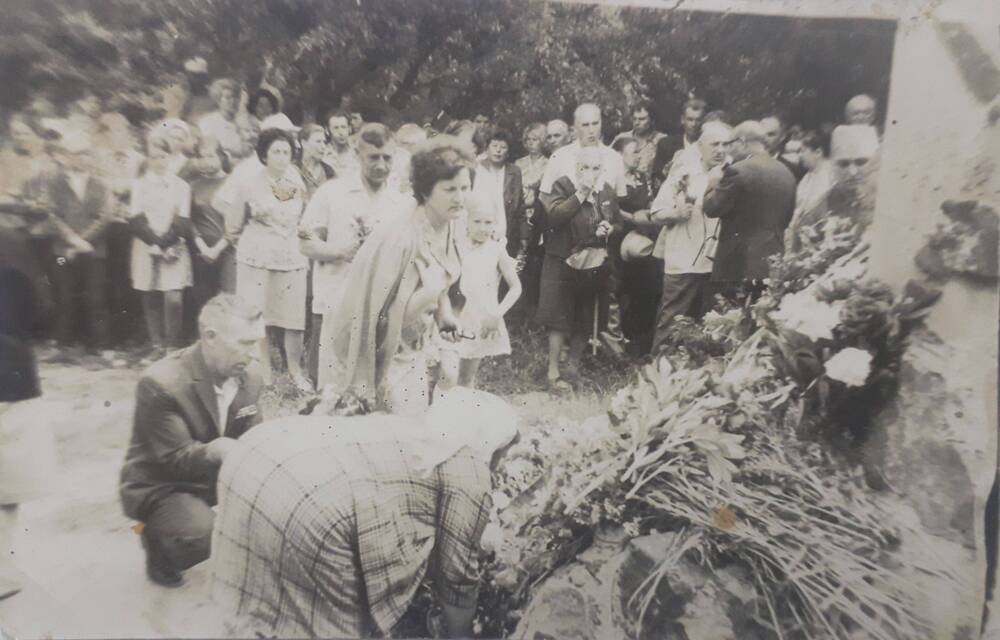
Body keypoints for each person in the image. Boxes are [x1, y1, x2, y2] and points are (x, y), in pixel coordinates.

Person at [211, 387, 518, 638]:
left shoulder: (410, 429)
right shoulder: (470, 469)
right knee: (327, 620)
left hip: (255, 454)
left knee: (259, 598)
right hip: (314, 500)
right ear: (493, 443)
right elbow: (457, 580)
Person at [317, 135, 472, 414]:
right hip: (377, 350)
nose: (460, 198)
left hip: (412, 346)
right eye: (450, 189)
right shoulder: (401, 238)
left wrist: (444, 313)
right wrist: (428, 295)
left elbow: (441, 280)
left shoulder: (449, 223)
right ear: (425, 191)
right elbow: (383, 318)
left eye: (465, 187)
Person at [119, 294, 265, 587]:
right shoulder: (161, 382)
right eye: (245, 343)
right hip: (163, 484)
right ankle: (158, 545)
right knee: (200, 533)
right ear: (210, 337)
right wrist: (217, 449)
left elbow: (255, 437)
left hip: (215, 474)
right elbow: (174, 459)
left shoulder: (252, 375)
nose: (255, 354)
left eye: (257, 342)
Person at [300, 123, 411, 390]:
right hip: (337, 300)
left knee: (373, 386)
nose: (382, 165)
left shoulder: (400, 203)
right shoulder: (332, 192)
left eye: (387, 158)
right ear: (357, 154)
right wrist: (340, 252)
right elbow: (304, 242)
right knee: (331, 386)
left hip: (381, 308)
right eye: (374, 157)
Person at [0, 214, 59, 602]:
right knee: (6, 482)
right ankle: (2, 572)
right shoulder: (13, 241)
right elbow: (43, 314)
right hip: (10, 372)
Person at [540, 103, 629, 360]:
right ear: (574, 128)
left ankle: (583, 361)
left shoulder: (613, 158)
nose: (591, 130)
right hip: (563, 243)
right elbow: (546, 202)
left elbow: (615, 204)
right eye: (585, 125)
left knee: (590, 308)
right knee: (559, 308)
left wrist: (607, 226)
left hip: (595, 246)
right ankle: (557, 361)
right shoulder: (561, 156)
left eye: (596, 123)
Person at [226, 128, 310, 389]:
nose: (282, 157)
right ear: (264, 154)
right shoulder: (249, 184)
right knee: (257, 316)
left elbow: (304, 219)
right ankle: (264, 374)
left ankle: (295, 372)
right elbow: (232, 226)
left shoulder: (297, 183)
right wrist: (255, 247)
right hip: (256, 261)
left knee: (294, 319)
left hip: (291, 259)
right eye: (276, 152)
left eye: (287, 152)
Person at [536, 147, 621, 391]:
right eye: (585, 167)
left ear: (602, 169)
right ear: (576, 167)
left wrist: (610, 228)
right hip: (562, 259)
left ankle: (572, 367)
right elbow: (554, 217)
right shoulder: (563, 185)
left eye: (596, 168)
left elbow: (619, 222)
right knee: (558, 317)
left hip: (593, 262)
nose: (590, 173)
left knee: (586, 315)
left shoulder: (606, 191)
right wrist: (581, 192)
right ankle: (553, 371)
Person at [26, 129, 117, 349]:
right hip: (62, 253)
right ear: (66, 156)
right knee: (64, 296)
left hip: (94, 250)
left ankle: (101, 346)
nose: (79, 158)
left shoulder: (100, 184)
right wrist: (72, 240)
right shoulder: (56, 183)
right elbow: (53, 215)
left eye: (84, 153)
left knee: (97, 298)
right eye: (74, 154)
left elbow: (105, 216)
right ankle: (62, 344)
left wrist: (83, 241)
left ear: (90, 156)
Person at [650, 121, 733, 348]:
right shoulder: (683, 173)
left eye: (726, 144)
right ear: (701, 146)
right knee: (671, 324)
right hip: (684, 261)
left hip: (717, 264)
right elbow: (656, 214)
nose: (721, 150)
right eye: (715, 144)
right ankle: (658, 372)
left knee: (715, 327)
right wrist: (676, 213)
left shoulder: (734, 173)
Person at [703, 120, 796, 309]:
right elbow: (787, 216)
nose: (728, 151)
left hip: (739, 264)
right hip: (773, 263)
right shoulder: (786, 171)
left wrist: (712, 183)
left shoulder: (739, 170)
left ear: (743, 141)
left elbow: (712, 208)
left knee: (732, 324)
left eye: (730, 144)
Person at [128, 135, 193, 352]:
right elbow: (136, 220)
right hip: (146, 246)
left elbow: (182, 220)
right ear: (147, 158)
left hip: (174, 245)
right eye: (153, 157)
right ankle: (156, 343)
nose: (159, 161)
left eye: (163, 156)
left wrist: (165, 244)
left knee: (173, 297)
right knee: (150, 293)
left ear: (170, 157)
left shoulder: (181, 186)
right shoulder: (139, 185)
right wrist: (154, 243)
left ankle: (172, 345)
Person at [450, 197, 521, 388]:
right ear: (467, 221)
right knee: (445, 373)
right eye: (477, 221)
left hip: (480, 320)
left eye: (488, 222)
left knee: (465, 377)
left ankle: (462, 413)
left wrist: (497, 313)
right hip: (455, 317)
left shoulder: (497, 249)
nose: (482, 228)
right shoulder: (457, 245)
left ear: (496, 223)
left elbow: (516, 287)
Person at [612, 136, 660, 356]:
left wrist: (650, 214)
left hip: (641, 239)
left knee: (644, 286)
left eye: (640, 152)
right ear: (620, 155)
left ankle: (640, 340)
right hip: (620, 237)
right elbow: (612, 207)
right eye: (634, 152)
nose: (639, 157)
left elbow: (649, 201)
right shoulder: (613, 177)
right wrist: (633, 218)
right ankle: (619, 341)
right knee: (621, 288)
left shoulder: (642, 178)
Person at [472, 128, 524, 256]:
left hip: (505, 229)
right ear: (487, 148)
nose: (498, 150)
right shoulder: (475, 169)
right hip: (479, 228)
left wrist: (523, 236)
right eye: (494, 146)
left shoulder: (514, 172)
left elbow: (519, 207)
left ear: (508, 151)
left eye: (503, 147)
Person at [785, 129, 835, 252]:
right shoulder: (807, 177)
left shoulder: (831, 175)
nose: (800, 156)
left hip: (823, 238)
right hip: (803, 238)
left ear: (818, 152)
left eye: (802, 151)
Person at [653, 98, 706, 182]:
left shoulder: (708, 146)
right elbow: (656, 178)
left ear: (703, 122)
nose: (694, 124)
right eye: (690, 119)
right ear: (682, 120)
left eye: (698, 120)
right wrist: (666, 172)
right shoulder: (666, 145)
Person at [612, 101, 667, 180]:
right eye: (634, 119)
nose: (637, 123)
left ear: (652, 120)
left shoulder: (660, 140)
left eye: (642, 119)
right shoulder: (622, 138)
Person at [197, 79, 247, 165]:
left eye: (236, 97)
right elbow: (209, 152)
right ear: (218, 100)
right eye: (228, 98)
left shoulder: (244, 121)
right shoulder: (208, 122)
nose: (233, 101)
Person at [296, 124, 336, 197]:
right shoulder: (292, 169)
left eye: (324, 142)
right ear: (304, 143)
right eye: (318, 142)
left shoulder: (329, 172)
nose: (323, 146)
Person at [761, 115, 804, 180]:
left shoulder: (792, 171)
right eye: (761, 134)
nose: (764, 139)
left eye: (770, 135)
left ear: (781, 137)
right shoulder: (743, 164)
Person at [324, 110, 358, 177]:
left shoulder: (358, 153)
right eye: (336, 128)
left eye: (343, 127)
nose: (340, 132)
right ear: (327, 130)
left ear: (349, 129)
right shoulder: (322, 154)